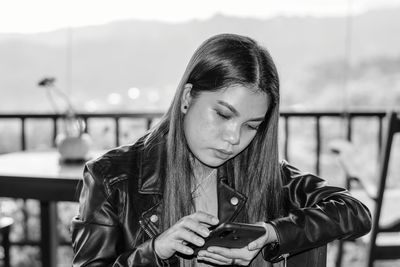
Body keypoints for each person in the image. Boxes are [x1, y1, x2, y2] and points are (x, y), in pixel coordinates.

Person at [71, 33, 371, 267]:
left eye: (251, 125)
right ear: (187, 97)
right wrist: (156, 251)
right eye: (224, 115)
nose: (234, 138)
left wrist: (268, 234)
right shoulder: (112, 177)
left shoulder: (259, 170)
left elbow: (354, 212)